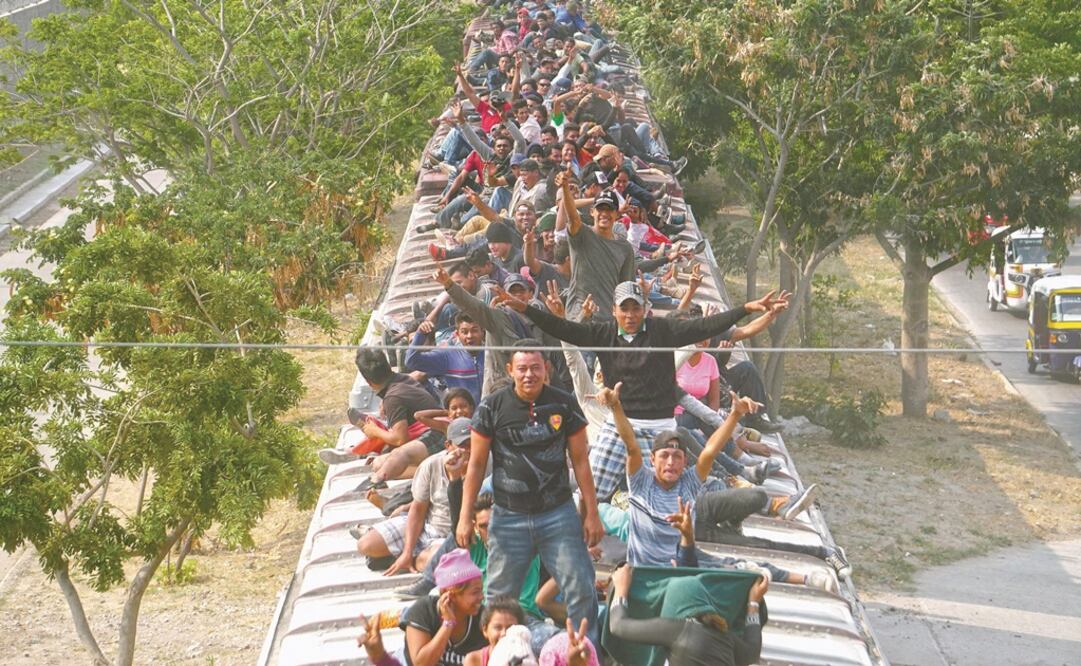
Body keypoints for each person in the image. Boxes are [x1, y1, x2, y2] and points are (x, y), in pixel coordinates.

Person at [495, 279, 788, 501]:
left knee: (667, 496)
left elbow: (705, 327)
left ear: (645, 309)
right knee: (591, 493)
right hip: (617, 426)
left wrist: (746, 309)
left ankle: (740, 496)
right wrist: (526, 308)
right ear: (614, 311)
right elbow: (564, 330)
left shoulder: (663, 331)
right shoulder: (602, 333)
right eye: (625, 308)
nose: (631, 314)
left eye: (637, 307)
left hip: (658, 428)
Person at [458, 341, 604, 645]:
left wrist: (592, 513)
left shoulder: (564, 404)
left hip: (558, 513)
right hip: (509, 516)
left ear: (546, 369)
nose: (529, 375)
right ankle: (500, 656)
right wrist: (464, 516)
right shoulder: (491, 407)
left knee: (581, 587)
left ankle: (585, 654)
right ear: (510, 370)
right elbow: (475, 464)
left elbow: (580, 462)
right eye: (522, 368)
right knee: (499, 597)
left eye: (535, 368)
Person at [358, 418, 474, 574]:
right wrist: (407, 550)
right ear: (448, 446)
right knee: (366, 545)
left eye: (472, 444)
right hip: (428, 525)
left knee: (445, 560)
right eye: (463, 445)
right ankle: (407, 554)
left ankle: (415, 559)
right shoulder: (431, 465)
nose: (468, 450)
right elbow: (418, 510)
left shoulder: (487, 464)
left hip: (453, 534)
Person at [607, 564, 767, 666]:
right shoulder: (724, 635)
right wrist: (753, 604)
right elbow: (752, 652)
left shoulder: (678, 630)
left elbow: (618, 626)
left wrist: (621, 588)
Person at [351, 348, 441, 492]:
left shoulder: (393, 398)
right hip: (435, 430)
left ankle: (432, 470)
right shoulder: (403, 379)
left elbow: (400, 439)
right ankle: (364, 448)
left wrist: (376, 431)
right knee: (386, 451)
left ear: (369, 382)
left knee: (380, 464)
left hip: (436, 436)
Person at [557, 171, 635, 322]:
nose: (604, 214)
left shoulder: (625, 248)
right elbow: (573, 218)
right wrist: (565, 188)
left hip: (608, 321)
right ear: (592, 212)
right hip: (578, 315)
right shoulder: (582, 234)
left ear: (616, 215)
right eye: (600, 209)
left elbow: (626, 289)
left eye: (609, 210)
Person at [401, 548, 488, 666]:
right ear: (451, 594)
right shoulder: (423, 611)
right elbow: (421, 664)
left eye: (481, 591)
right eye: (475, 592)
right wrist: (448, 623)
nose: (482, 597)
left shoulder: (483, 618)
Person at [405, 313, 486, 403]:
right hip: (463, 415)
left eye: (474, 330)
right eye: (464, 332)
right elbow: (411, 361)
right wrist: (420, 334)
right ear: (457, 334)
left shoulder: (493, 354)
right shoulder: (448, 356)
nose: (470, 336)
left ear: (482, 332)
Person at [463, 599, 530, 666]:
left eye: (510, 627)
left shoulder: (526, 660)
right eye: (498, 627)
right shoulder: (474, 660)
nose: (503, 633)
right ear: (485, 630)